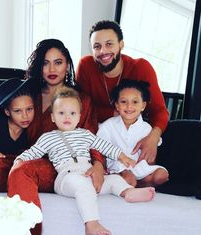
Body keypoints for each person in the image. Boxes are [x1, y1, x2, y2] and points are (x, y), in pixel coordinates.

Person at [13, 87, 156, 235]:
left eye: (72, 113)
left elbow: (105, 147)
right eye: (61, 113)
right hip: (67, 178)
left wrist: (123, 157)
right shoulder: (48, 138)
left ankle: (128, 192)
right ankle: (91, 224)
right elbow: (32, 153)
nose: (67, 117)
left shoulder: (85, 134)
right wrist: (18, 161)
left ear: (79, 116)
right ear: (53, 117)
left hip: (88, 174)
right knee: (83, 187)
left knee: (113, 179)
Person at [7, 39, 106, 235]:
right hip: (28, 158)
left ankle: (28, 231)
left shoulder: (81, 99)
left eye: (58, 62)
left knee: (21, 171)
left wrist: (98, 165)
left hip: (60, 165)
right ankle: (20, 181)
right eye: (45, 62)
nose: (51, 68)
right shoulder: (30, 93)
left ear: (67, 65)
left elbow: (90, 137)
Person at [76, 20, 169, 165]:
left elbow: (160, 111)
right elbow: (82, 109)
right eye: (97, 46)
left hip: (133, 136)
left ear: (121, 44)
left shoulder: (141, 67)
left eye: (109, 44)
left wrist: (153, 138)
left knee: (149, 170)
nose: (103, 51)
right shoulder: (86, 66)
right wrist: (113, 113)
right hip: (101, 135)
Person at [97, 79, 169, 187]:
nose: (129, 106)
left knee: (162, 175)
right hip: (118, 166)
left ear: (143, 106)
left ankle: (138, 183)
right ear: (117, 105)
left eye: (135, 102)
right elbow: (100, 146)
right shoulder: (108, 125)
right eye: (123, 102)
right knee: (128, 177)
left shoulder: (147, 128)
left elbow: (152, 152)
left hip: (139, 167)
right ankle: (131, 182)